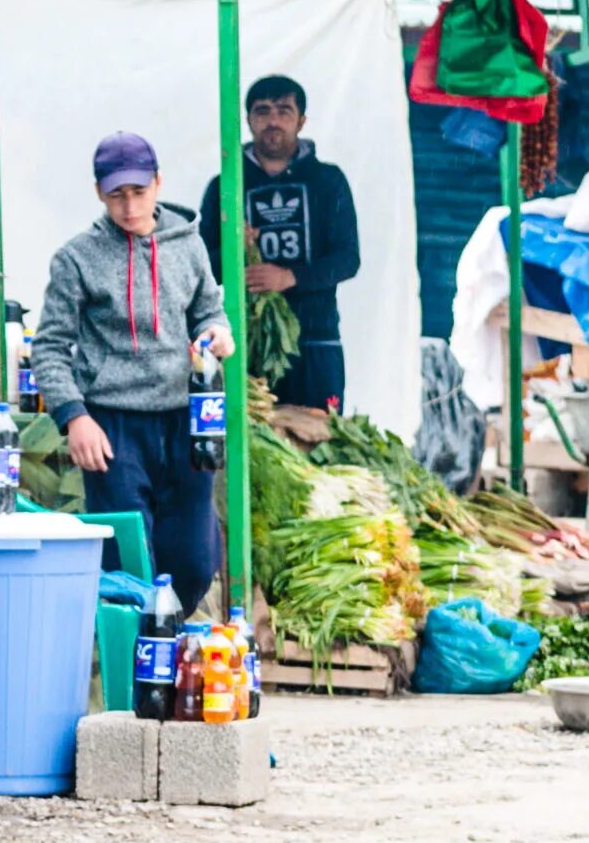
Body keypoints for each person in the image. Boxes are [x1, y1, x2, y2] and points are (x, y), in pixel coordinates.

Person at [28, 132, 236, 611]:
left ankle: (170, 649)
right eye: (117, 194)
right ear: (99, 191)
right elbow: (50, 347)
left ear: (158, 184)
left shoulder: (190, 245)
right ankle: (137, 674)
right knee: (127, 557)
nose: (129, 206)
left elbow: (209, 311)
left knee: (195, 558)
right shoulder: (76, 259)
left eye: (139, 192)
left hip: (187, 421)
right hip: (113, 426)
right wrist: (74, 417)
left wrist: (217, 334)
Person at [198, 74, 359, 412]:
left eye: (284, 111)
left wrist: (290, 277)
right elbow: (199, 268)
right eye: (262, 111)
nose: (273, 120)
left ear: (301, 120)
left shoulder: (328, 181)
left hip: (316, 340)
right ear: (248, 120)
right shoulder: (224, 187)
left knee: (320, 438)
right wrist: (234, 252)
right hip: (247, 343)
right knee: (257, 445)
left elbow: (347, 259)